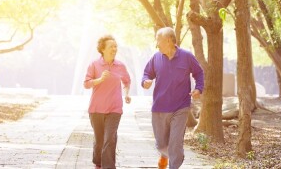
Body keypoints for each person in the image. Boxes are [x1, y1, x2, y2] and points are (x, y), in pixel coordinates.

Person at [141, 27, 204, 169]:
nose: (157, 44)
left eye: (159, 41)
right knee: (161, 144)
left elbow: (199, 73)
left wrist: (198, 88)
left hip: (180, 107)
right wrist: (145, 82)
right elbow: (146, 74)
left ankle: (174, 165)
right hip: (159, 107)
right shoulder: (156, 58)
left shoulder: (186, 56)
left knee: (175, 142)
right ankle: (164, 155)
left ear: (169, 40)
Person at [83, 35, 131, 169]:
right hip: (96, 109)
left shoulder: (120, 66)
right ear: (102, 49)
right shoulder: (94, 64)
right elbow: (86, 84)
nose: (114, 49)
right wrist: (99, 80)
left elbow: (127, 82)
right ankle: (98, 164)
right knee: (99, 141)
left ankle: (109, 167)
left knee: (109, 139)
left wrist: (127, 94)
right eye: (111, 46)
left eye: (116, 46)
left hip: (115, 109)